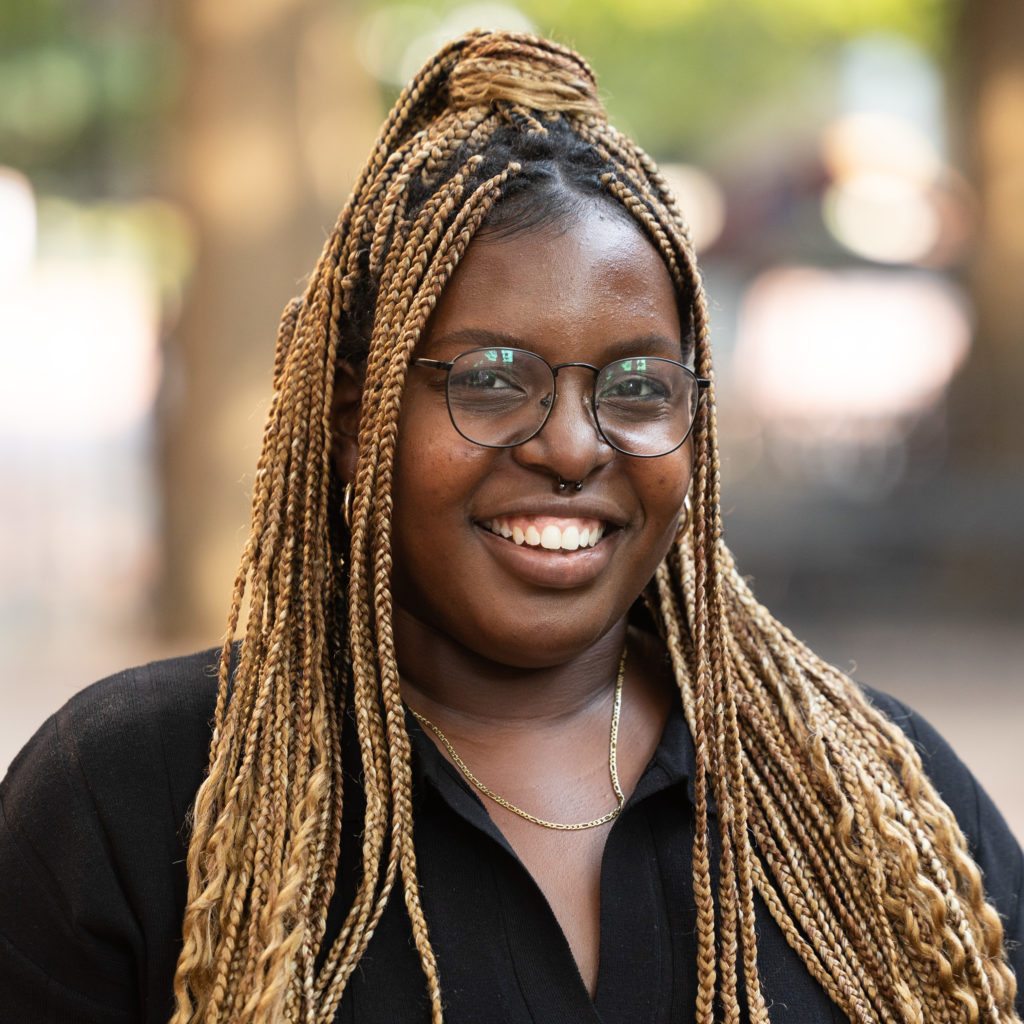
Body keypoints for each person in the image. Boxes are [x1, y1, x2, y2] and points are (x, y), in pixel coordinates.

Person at [0, 28, 1021, 1024]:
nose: (574, 448)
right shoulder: (125, 800)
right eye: (492, 379)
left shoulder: (878, 796)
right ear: (360, 426)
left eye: (636, 385)